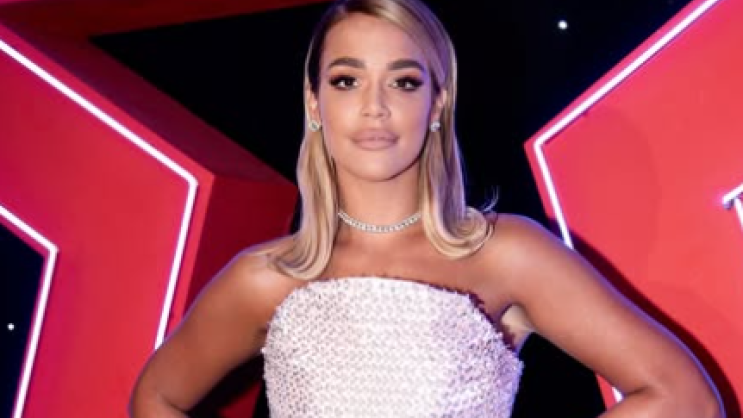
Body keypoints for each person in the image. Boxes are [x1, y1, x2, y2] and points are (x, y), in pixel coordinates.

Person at [128, 0, 725, 416]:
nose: (375, 107)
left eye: (404, 82)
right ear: (314, 102)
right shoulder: (265, 279)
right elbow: (155, 398)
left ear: (437, 103)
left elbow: (685, 400)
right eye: (346, 80)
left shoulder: (505, 254)